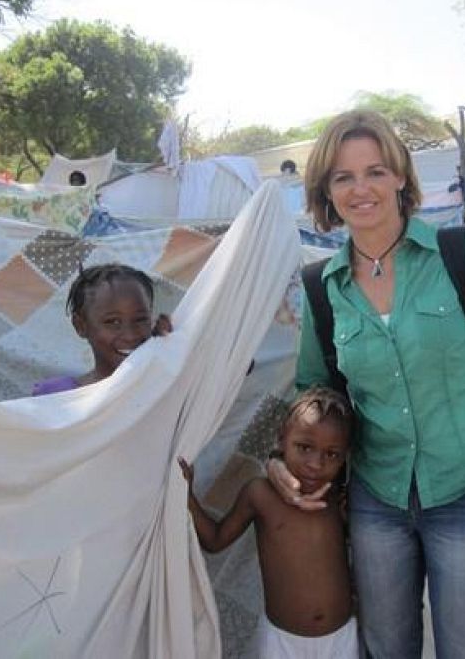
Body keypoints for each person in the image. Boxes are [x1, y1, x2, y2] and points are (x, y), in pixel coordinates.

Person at [268, 109, 465, 658]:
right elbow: (313, 394)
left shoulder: (458, 255)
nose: (360, 188)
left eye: (374, 171)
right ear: (326, 191)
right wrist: (283, 461)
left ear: (399, 177)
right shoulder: (320, 287)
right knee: (387, 650)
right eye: (342, 177)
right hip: (378, 504)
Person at [179, 387, 359, 658]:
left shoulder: (339, 499)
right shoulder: (260, 494)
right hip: (281, 642)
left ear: (345, 457)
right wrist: (187, 496)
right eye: (305, 447)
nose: (315, 463)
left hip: (341, 639)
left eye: (331, 454)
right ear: (281, 440)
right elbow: (215, 540)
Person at [32, 264, 170, 395]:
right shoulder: (57, 396)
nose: (130, 335)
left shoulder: (171, 384)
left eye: (140, 319)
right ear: (81, 326)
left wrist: (173, 343)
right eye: (113, 322)